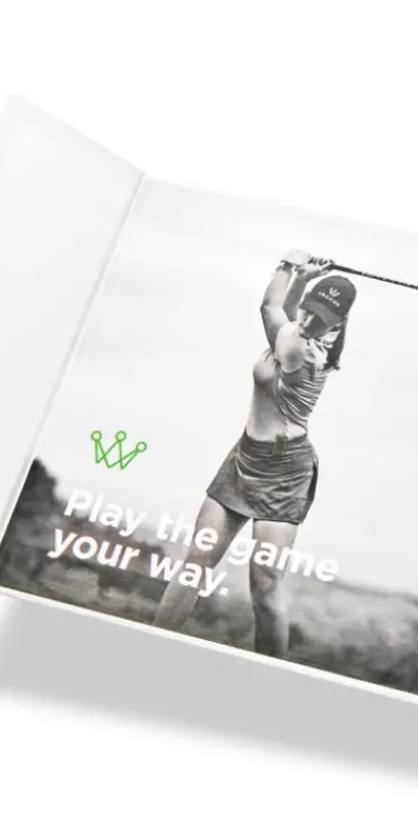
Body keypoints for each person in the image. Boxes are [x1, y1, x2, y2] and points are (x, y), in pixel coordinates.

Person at [152, 250, 356, 654]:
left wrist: (292, 268)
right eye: (310, 310)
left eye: (322, 320)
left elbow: (272, 307)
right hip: (243, 458)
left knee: (264, 586)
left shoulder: (305, 354)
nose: (310, 320)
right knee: (196, 562)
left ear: (337, 328)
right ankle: (151, 644)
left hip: (285, 473)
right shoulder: (294, 334)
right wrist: (299, 276)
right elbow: (285, 313)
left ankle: (269, 672)